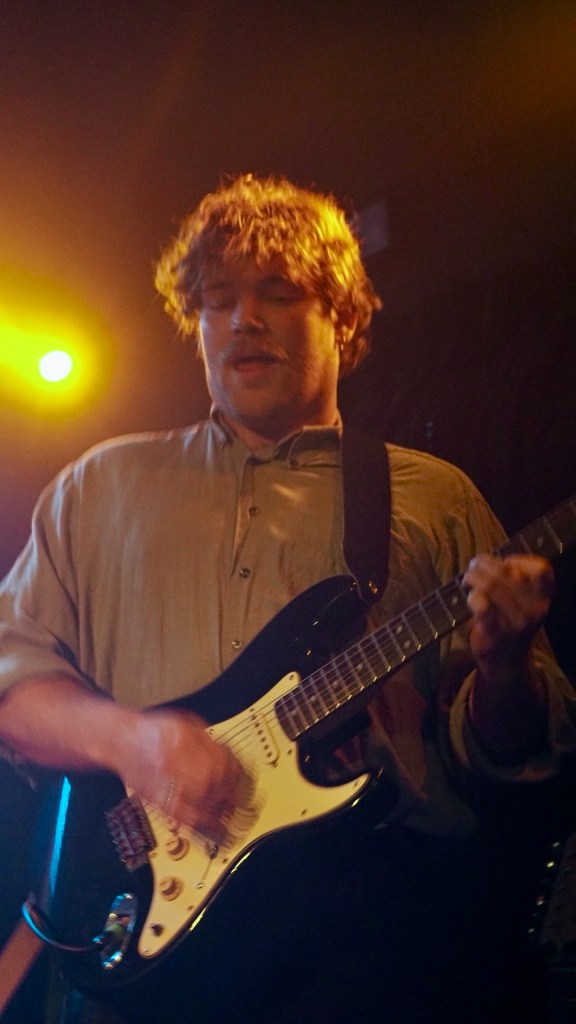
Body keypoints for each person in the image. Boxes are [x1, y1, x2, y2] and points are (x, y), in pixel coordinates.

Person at [0, 173, 574, 1024]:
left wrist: (505, 666)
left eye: (278, 292)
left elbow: (511, 751)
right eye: (218, 299)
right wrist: (135, 742)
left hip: (368, 939)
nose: (244, 319)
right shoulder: (100, 484)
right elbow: (11, 682)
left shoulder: (434, 497)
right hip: (142, 936)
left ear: (342, 315)